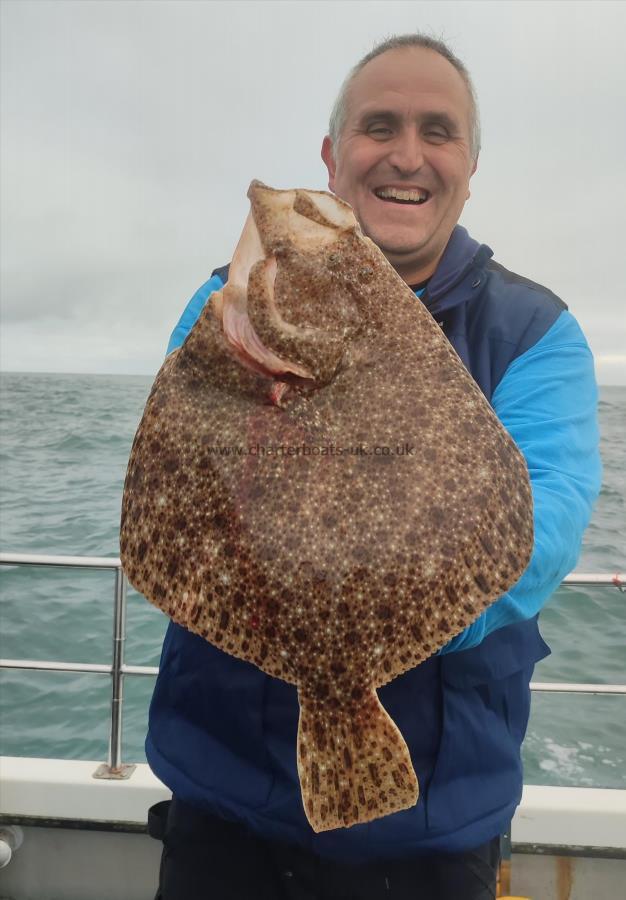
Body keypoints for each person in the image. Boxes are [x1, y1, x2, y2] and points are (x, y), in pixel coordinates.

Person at [145, 34, 602, 900]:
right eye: (378, 126)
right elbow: (179, 487)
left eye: (438, 131)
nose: (406, 154)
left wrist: (364, 621)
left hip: (432, 826)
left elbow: (545, 524)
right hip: (221, 796)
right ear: (331, 154)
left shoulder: (536, 333)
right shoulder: (228, 304)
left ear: (470, 165)